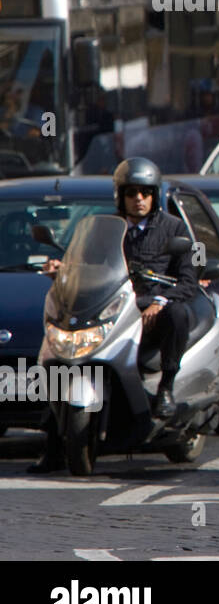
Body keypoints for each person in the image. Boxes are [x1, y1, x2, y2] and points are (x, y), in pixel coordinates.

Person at [29, 158, 202, 472]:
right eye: (132, 192)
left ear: (154, 195)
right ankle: (53, 443)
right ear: (120, 196)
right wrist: (62, 271)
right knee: (59, 355)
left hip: (151, 310)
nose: (139, 199)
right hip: (113, 308)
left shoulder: (173, 228)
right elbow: (85, 268)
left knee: (178, 313)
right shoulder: (102, 227)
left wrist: (159, 302)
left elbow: (188, 282)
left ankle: (166, 387)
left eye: (145, 192)